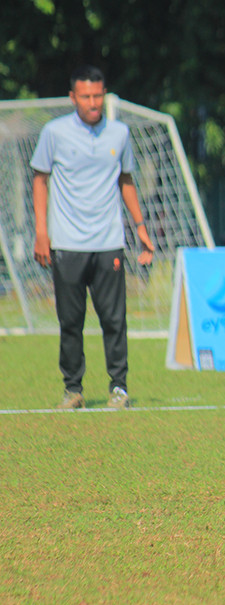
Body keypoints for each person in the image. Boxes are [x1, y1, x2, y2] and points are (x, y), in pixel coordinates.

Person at [31, 65, 155, 410]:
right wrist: (42, 232)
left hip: (108, 241)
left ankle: (119, 388)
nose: (92, 102)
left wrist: (141, 230)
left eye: (98, 95)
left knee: (114, 320)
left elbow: (126, 181)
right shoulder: (53, 133)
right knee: (70, 322)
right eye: (85, 96)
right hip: (67, 243)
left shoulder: (119, 133)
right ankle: (73, 390)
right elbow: (39, 180)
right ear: (73, 98)